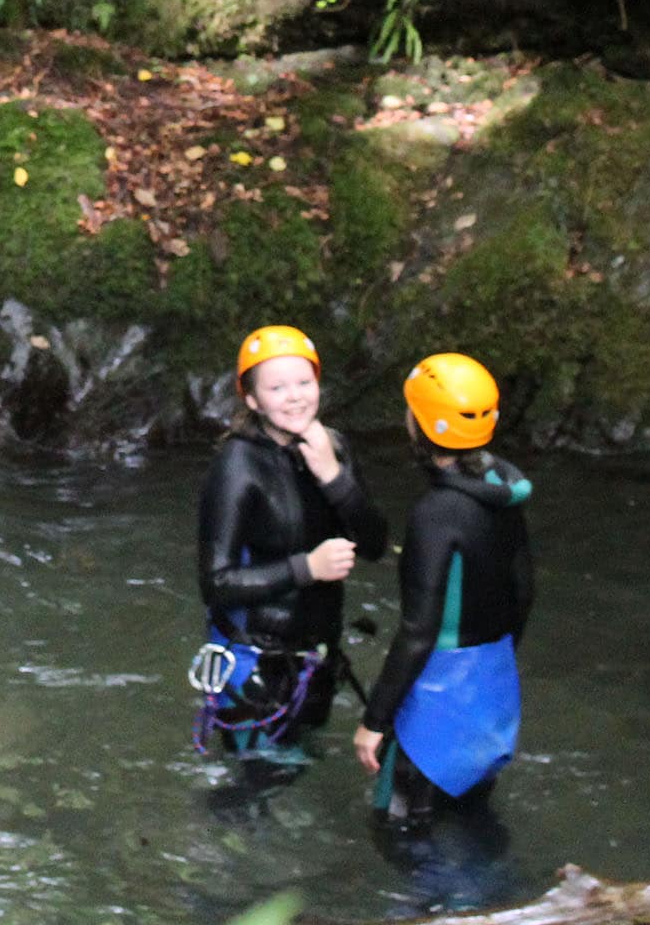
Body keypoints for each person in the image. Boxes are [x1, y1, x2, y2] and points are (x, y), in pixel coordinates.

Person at [356, 352, 532, 854]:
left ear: (420, 424)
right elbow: (524, 592)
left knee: (401, 838)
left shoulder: (435, 514)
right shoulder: (504, 492)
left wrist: (373, 722)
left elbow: (418, 631)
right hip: (494, 692)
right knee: (473, 822)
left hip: (437, 707)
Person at [192, 326, 388, 772]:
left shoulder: (332, 446)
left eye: (304, 382)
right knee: (255, 784)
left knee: (297, 769)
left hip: (316, 657)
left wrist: (334, 477)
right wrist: (308, 567)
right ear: (252, 399)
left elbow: (375, 544)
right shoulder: (236, 465)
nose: (295, 397)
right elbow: (215, 583)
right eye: (277, 388)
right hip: (254, 664)